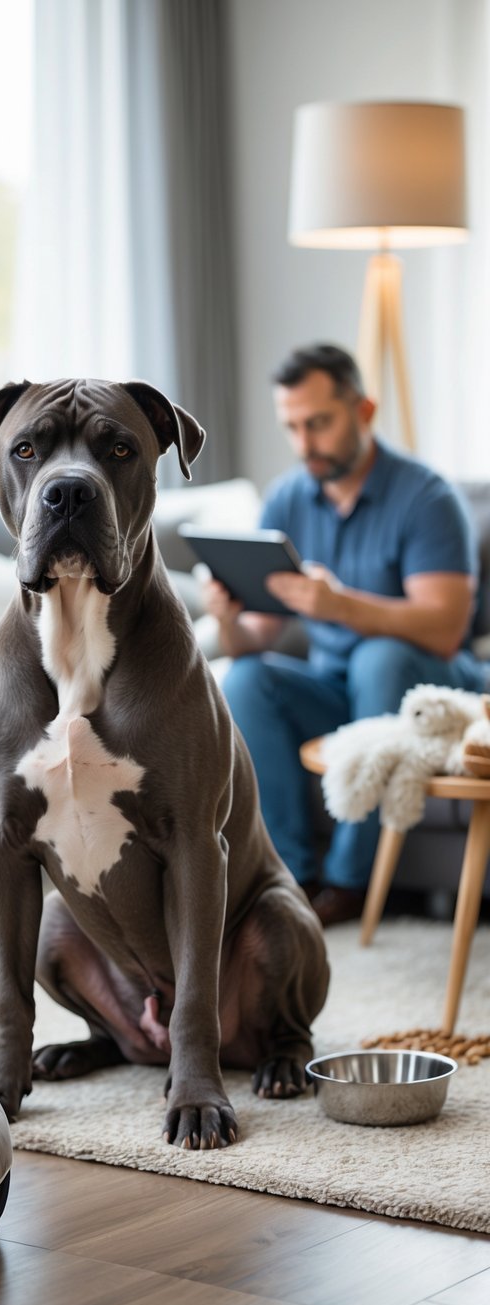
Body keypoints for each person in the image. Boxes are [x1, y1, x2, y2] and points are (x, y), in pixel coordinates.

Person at [204, 343, 489, 927]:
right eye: (292, 427)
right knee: (249, 677)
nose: (305, 443)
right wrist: (230, 619)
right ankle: (287, 878)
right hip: (338, 688)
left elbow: (444, 628)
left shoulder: (428, 498)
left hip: (430, 686)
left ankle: (348, 882)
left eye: (319, 423)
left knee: (378, 660)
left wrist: (341, 606)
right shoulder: (287, 496)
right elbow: (255, 638)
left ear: (364, 410)